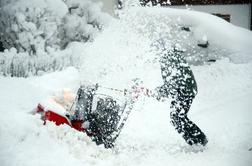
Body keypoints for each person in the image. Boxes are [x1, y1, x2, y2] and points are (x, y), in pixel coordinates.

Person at [155, 42, 208, 146]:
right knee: (178, 117)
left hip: (184, 91)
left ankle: (199, 141)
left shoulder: (168, 59)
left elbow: (173, 83)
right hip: (185, 90)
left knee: (177, 117)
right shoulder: (171, 56)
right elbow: (172, 83)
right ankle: (197, 140)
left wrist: (159, 92)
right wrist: (161, 92)